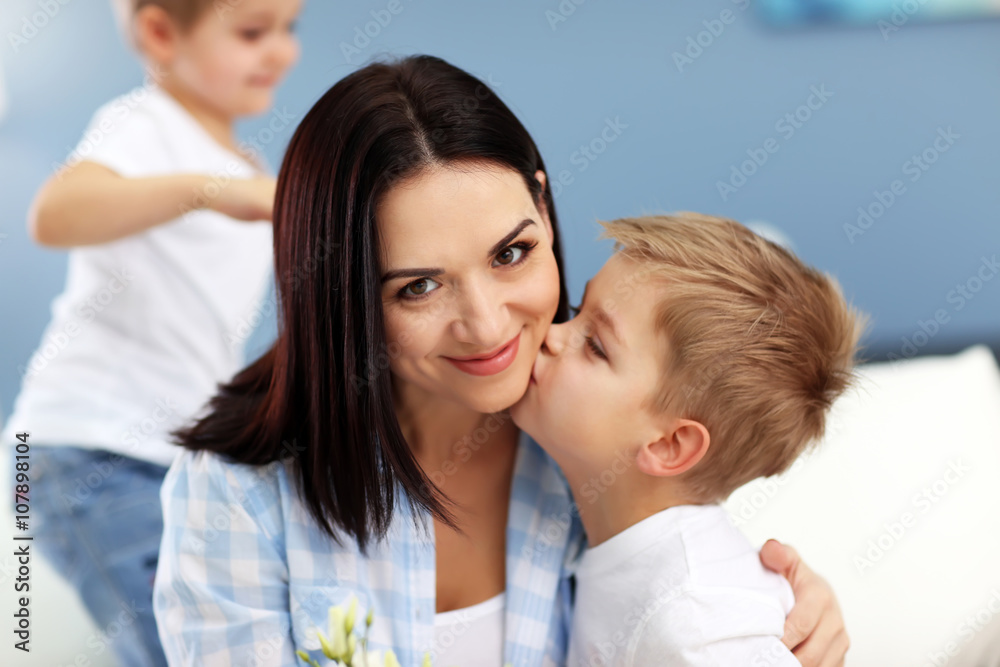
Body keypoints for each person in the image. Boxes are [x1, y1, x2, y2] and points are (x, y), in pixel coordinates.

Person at [153, 55, 850, 667]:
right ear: (343, 296)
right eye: (418, 286)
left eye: (510, 253)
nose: (489, 327)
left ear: (543, 209)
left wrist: (785, 608)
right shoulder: (240, 496)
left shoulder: (589, 441)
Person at [2, 0, 300, 664]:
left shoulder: (248, 167)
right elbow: (55, 214)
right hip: (83, 448)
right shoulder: (143, 124)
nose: (281, 51)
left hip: (166, 457)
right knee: (182, 648)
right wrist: (215, 190)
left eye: (289, 28)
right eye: (254, 32)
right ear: (161, 33)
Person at [509, 213, 865, 666]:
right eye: (577, 313)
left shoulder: (699, 622)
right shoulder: (627, 553)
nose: (552, 336)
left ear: (669, 445)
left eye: (596, 345)